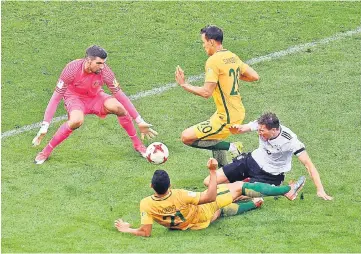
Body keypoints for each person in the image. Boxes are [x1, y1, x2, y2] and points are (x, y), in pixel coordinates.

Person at [114, 158, 306, 237]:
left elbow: (146, 232)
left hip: (190, 227)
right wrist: (213, 172)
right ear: (169, 185)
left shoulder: (146, 203)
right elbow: (209, 196)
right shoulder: (180, 194)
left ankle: (255, 203)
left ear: (151, 187)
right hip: (202, 214)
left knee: (222, 207)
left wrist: (126, 229)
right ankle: (286, 191)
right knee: (238, 188)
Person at [32, 45, 157, 164]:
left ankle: (138, 145)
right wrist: (45, 126)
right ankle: (45, 152)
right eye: (99, 63)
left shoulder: (105, 72)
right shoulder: (71, 69)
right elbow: (55, 98)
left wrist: (139, 120)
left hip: (96, 97)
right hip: (75, 98)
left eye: (104, 63)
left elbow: (120, 95)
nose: (102, 67)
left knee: (119, 107)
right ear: (88, 61)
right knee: (76, 121)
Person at [175, 25, 259, 167]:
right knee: (214, 139)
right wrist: (227, 77)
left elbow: (206, 92)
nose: (203, 46)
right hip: (235, 111)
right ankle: (225, 172)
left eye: (204, 42)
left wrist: (184, 85)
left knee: (186, 137)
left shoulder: (213, 61)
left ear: (212, 42)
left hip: (226, 117)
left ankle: (232, 147)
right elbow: (254, 76)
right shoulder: (232, 56)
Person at [203, 112, 333, 201]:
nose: (259, 133)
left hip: (270, 175)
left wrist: (320, 189)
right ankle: (246, 184)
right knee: (208, 182)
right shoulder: (261, 125)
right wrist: (237, 128)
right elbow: (243, 128)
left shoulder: (291, 141)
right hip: (250, 162)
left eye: (262, 131)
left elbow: (308, 165)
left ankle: (263, 188)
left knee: (231, 195)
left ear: (274, 130)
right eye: (258, 129)